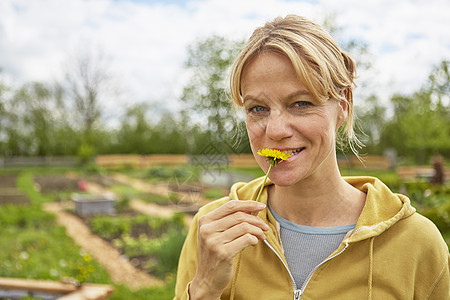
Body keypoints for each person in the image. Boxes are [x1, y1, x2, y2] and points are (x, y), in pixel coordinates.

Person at [174, 15, 449, 299]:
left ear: (342, 107)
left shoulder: (418, 243)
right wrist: (205, 289)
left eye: (301, 104)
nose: (276, 130)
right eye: (257, 109)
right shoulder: (211, 229)